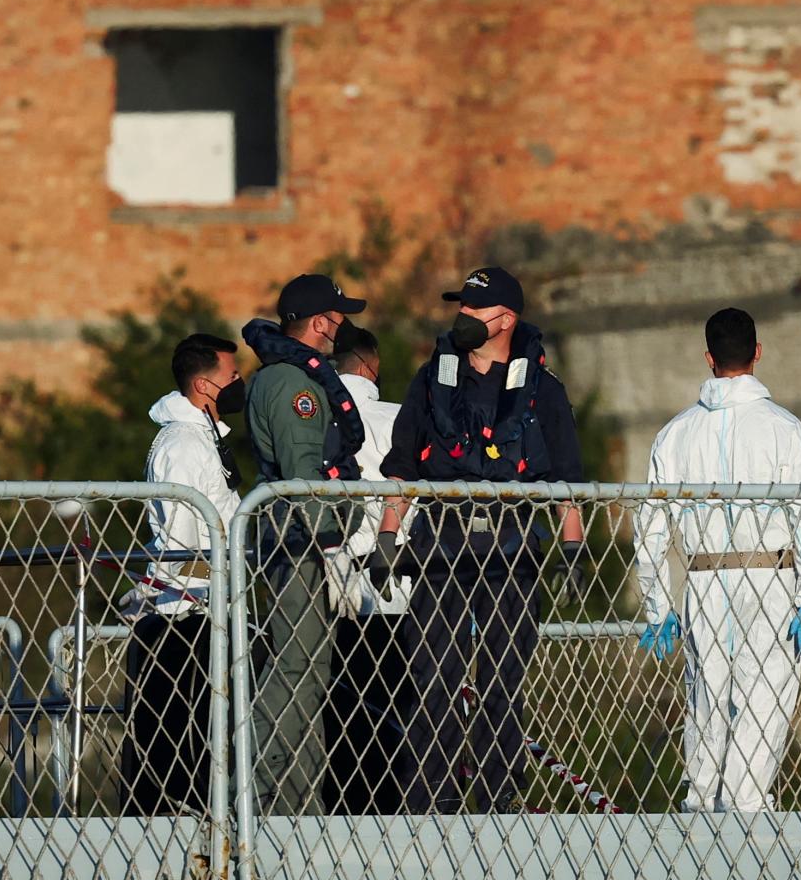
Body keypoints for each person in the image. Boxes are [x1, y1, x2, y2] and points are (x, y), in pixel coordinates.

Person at [378, 266, 586, 813]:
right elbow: (402, 467)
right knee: (433, 680)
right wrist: (386, 537)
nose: (462, 317)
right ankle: (430, 805)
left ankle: (500, 801)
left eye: (474, 309)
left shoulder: (545, 391)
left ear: (506, 319)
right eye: (460, 308)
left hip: (512, 548)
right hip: (440, 545)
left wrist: (572, 551)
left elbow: (566, 478)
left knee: (502, 681)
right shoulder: (431, 380)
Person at [631, 307, 801, 813]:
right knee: (764, 699)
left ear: (708, 358)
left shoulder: (676, 433)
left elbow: (652, 527)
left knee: (706, 704)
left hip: (703, 578)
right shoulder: (784, 428)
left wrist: (659, 605)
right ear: (758, 352)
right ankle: (747, 809)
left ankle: (701, 806)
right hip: (771, 574)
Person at [242, 273, 368, 815]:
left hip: (305, 541)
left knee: (311, 676)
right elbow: (303, 477)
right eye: (338, 317)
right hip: (302, 545)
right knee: (294, 669)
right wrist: (333, 546)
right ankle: (249, 791)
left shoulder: (292, 377)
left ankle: (297, 804)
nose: (343, 327)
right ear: (319, 322)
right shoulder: (294, 386)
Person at [123, 332, 245, 816]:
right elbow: (179, 542)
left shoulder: (204, 439)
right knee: (180, 743)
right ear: (203, 384)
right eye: (232, 376)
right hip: (185, 615)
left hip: (210, 607)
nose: (240, 384)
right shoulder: (181, 445)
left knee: (208, 741)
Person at [323, 322, 414, 813]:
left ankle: (345, 814)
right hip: (395, 583)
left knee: (343, 718)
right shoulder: (397, 418)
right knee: (397, 715)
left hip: (331, 585)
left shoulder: (318, 419)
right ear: (372, 367)